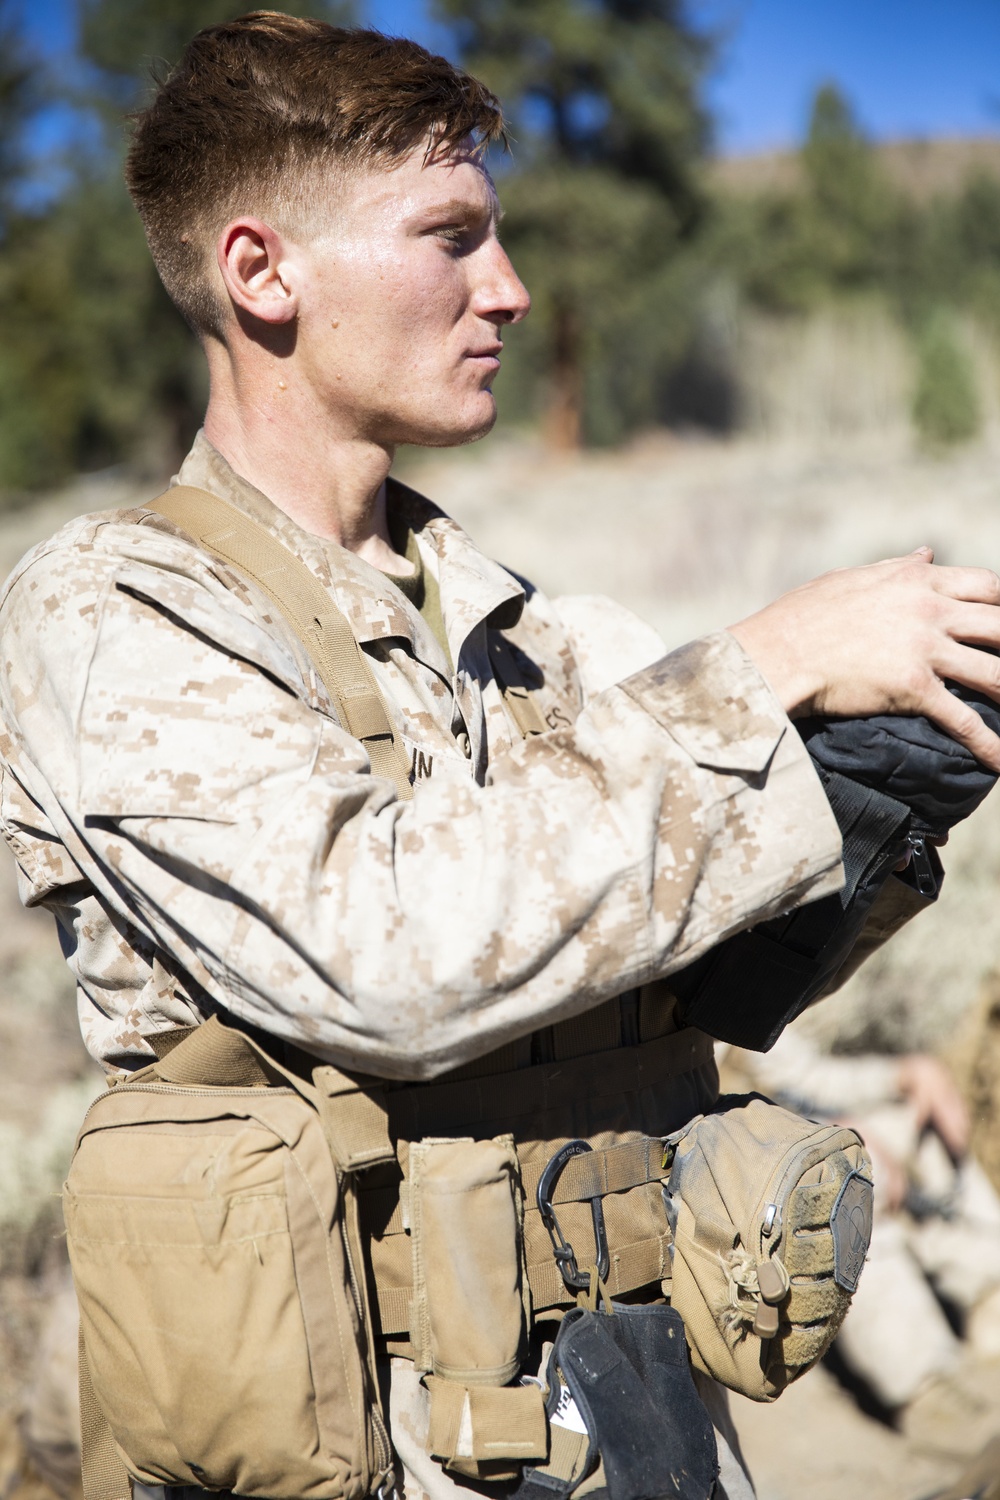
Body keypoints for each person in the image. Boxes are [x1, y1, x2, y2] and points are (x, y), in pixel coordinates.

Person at [4, 14, 1000, 1500]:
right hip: (367, 1442)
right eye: (451, 237)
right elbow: (386, 958)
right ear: (261, 273)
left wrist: (884, 766)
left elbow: (695, 978)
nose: (513, 291)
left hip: (641, 1409)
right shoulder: (116, 611)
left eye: (504, 237)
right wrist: (765, 668)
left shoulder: (539, 629)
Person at [734, 1023, 1000, 1458]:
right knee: (847, 1179)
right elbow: (719, 1114)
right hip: (745, 1171)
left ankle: (990, 1300)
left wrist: (905, 1074)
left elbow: (801, 1078)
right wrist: (838, 1136)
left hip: (796, 1129)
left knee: (913, 1117)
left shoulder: (732, 984)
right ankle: (923, 1389)